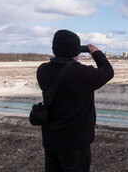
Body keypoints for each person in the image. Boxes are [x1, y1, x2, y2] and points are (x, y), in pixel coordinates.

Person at [36, 29, 114, 172]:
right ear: (77, 50)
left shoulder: (42, 70)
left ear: (55, 48)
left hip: (50, 138)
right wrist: (96, 53)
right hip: (75, 141)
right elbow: (108, 71)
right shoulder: (84, 74)